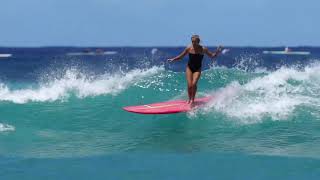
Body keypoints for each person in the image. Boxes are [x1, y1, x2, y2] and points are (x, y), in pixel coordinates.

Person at [167, 35, 223, 104]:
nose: (193, 43)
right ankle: (189, 99)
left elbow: (212, 56)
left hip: (197, 69)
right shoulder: (189, 48)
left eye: (194, 42)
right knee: (189, 85)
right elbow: (181, 56)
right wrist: (173, 59)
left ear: (198, 42)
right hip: (189, 68)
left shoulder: (203, 49)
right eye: (192, 41)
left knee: (194, 84)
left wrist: (218, 51)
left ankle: (192, 100)